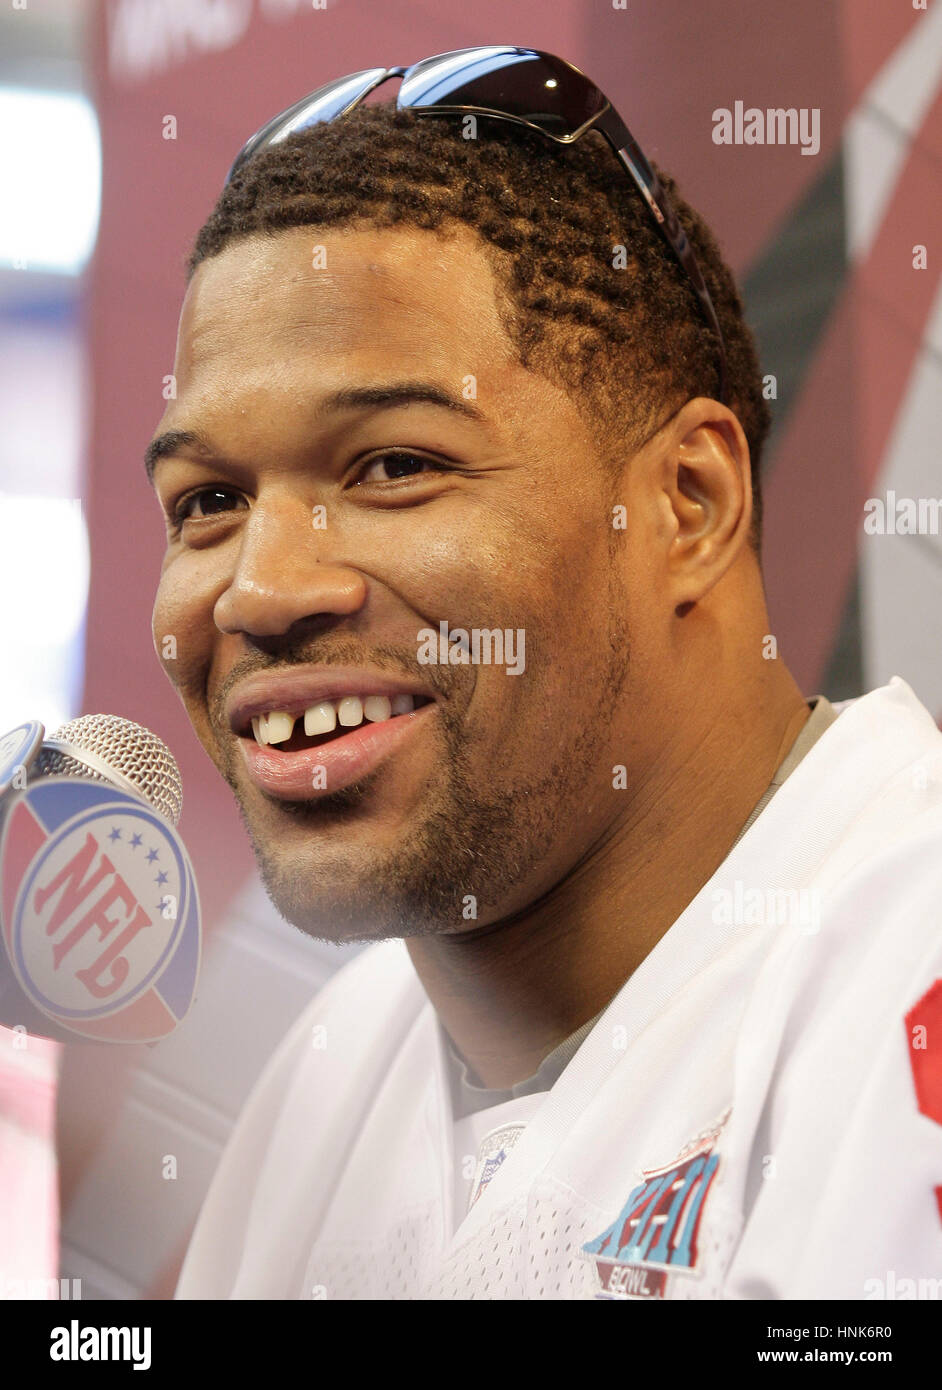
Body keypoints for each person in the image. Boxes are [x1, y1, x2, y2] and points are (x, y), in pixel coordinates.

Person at [145, 50, 942, 1299]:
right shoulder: (331, 1068)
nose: (260, 588)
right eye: (207, 500)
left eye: (394, 465)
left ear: (690, 504)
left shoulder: (907, 962)